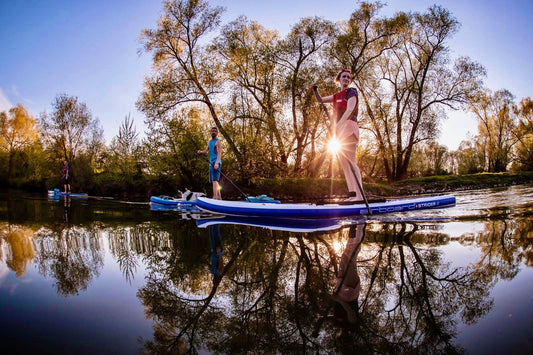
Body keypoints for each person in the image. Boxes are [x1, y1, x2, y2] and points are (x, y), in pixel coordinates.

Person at [311, 69, 365, 202]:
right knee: (344, 163)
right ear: (339, 79)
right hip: (339, 130)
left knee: (351, 161)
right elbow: (320, 100)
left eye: (348, 77)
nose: (346, 79)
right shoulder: (336, 96)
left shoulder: (352, 92)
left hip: (349, 126)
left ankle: (360, 195)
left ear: (350, 80)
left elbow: (350, 109)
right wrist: (315, 90)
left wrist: (339, 124)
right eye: (344, 77)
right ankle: (352, 194)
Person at [197, 126, 222, 200]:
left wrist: (217, 163)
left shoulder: (218, 141)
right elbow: (206, 150)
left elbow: (220, 153)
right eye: (212, 131)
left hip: (216, 162)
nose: (213, 132)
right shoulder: (210, 142)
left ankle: (215, 197)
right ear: (210, 132)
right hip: (211, 163)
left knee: (215, 180)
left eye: (215, 131)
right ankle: (219, 198)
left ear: (217, 133)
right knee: (214, 180)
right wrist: (201, 152)